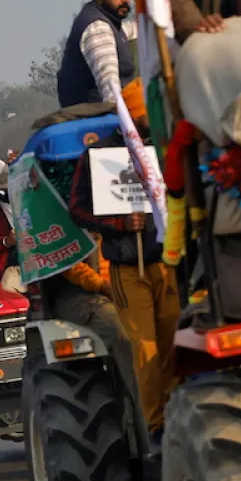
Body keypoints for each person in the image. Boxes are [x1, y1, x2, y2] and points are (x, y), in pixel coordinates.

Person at [69, 134, 181, 436]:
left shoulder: (165, 138)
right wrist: (119, 224)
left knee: (176, 342)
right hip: (128, 268)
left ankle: (181, 411)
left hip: (168, 263)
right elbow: (77, 210)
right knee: (144, 348)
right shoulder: (99, 154)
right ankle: (157, 427)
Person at [56, 0, 138, 110]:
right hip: (96, 115)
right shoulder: (97, 29)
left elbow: (132, 31)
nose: (125, 0)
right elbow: (109, 85)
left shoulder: (111, 24)